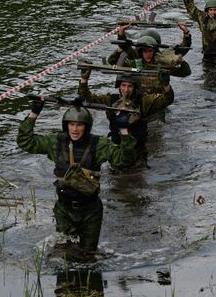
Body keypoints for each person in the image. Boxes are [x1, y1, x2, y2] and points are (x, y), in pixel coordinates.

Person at [17, 99, 136, 251]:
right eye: (71, 124)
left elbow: (125, 160)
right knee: (64, 254)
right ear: (66, 125)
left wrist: (124, 130)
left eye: (79, 125)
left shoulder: (99, 144)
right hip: (64, 209)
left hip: (90, 211)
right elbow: (25, 142)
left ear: (86, 127)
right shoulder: (56, 142)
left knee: (88, 255)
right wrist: (34, 114)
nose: (74, 129)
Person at [78, 71, 174, 167]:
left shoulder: (144, 101)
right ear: (119, 86)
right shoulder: (110, 100)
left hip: (137, 152)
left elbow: (167, 99)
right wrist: (84, 79)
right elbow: (88, 98)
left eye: (130, 86)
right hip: (117, 151)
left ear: (135, 87)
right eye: (123, 85)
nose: (126, 90)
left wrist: (166, 85)